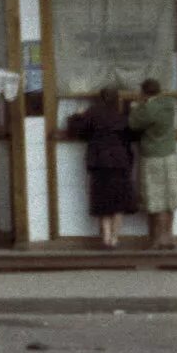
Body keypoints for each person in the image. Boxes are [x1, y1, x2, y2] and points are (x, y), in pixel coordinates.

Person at [64, 84, 139, 250]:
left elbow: (74, 131)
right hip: (120, 162)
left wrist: (76, 115)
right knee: (119, 202)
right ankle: (114, 238)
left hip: (99, 162)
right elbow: (134, 134)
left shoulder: (92, 114)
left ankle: (105, 238)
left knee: (103, 201)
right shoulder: (122, 116)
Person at [127, 79, 177, 251]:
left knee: (156, 200)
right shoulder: (170, 103)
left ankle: (157, 240)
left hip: (153, 157)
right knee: (170, 199)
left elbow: (133, 124)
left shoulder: (148, 109)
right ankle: (169, 237)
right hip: (170, 154)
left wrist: (135, 106)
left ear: (143, 92)